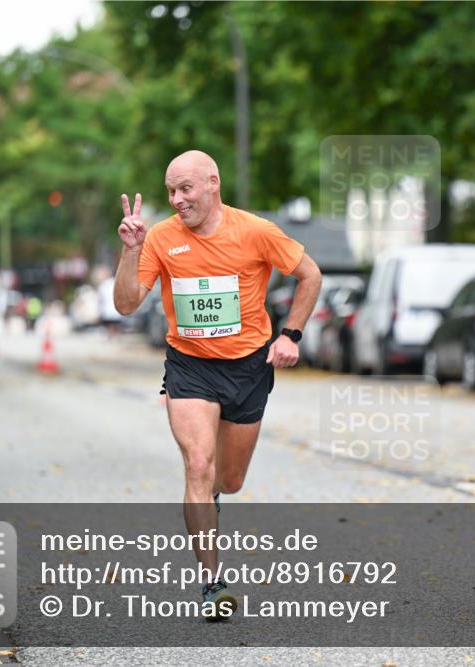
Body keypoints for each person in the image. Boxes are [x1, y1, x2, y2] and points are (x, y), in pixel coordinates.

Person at [113, 150, 322, 619]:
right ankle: (212, 583)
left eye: (184, 189)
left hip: (248, 368)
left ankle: (214, 499)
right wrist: (130, 251)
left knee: (228, 478)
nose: (176, 199)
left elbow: (310, 274)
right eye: (170, 191)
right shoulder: (162, 238)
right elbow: (127, 305)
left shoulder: (256, 231)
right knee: (198, 466)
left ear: (212, 183)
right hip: (189, 367)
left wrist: (290, 334)